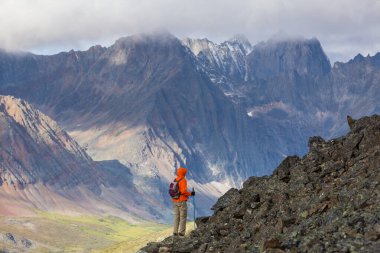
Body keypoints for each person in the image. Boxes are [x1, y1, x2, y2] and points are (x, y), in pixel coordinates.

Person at [172, 167, 195, 237]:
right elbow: (183, 191)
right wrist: (191, 194)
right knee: (183, 217)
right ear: (183, 173)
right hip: (181, 200)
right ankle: (181, 233)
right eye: (185, 172)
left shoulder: (175, 180)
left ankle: (175, 232)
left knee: (176, 216)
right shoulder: (183, 180)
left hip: (174, 200)